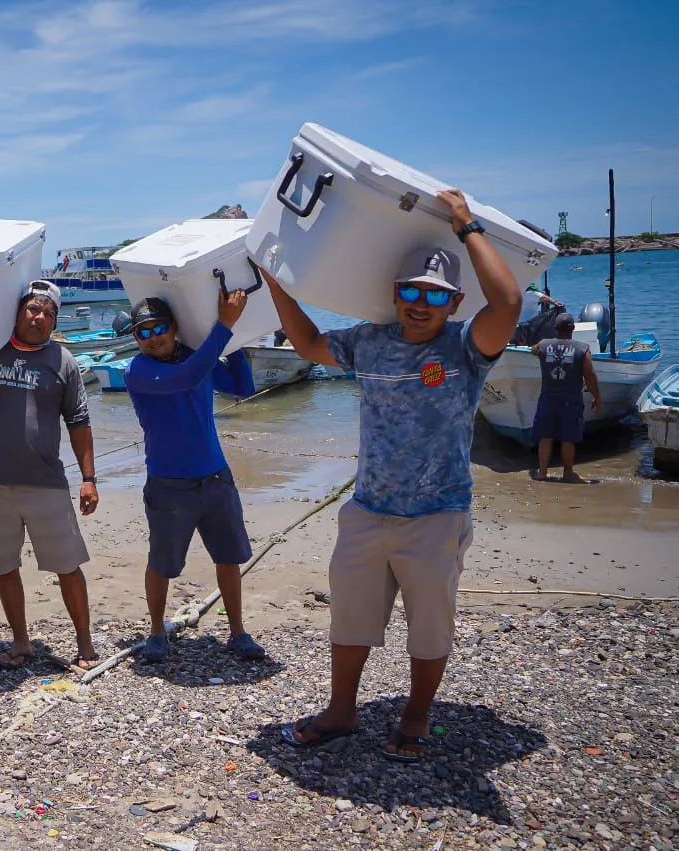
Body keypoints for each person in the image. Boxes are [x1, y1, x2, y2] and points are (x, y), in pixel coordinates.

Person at [264, 189, 522, 763]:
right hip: (368, 509)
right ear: (395, 295)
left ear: (453, 303)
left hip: (437, 515)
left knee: (429, 627)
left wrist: (466, 225)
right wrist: (278, 284)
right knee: (350, 617)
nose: (419, 303)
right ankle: (341, 710)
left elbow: (507, 302)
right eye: (410, 291)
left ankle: (416, 714)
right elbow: (307, 344)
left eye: (434, 295)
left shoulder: (466, 348)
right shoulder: (371, 343)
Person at [0, 280, 101, 670]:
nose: (39, 317)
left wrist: (89, 477)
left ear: (54, 321)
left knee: (68, 567)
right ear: (16, 312)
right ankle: (21, 642)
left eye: (48, 313)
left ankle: (85, 645)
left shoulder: (63, 361)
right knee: (4, 568)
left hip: (46, 484)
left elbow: (79, 420)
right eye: (32, 309)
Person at [124, 291, 266, 663]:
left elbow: (241, 387)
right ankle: (156, 632)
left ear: (175, 328)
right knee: (162, 562)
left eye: (160, 327)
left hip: (216, 479)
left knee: (229, 557)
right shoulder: (138, 371)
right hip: (169, 484)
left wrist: (234, 339)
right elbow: (185, 379)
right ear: (136, 339)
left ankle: (238, 631)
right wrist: (223, 327)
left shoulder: (193, 359)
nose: (154, 336)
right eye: (144, 332)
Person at [531, 313, 601, 482]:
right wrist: (597, 396)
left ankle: (541, 473)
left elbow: (534, 349)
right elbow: (589, 375)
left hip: (548, 398)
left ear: (555, 328)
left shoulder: (543, 345)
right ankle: (567, 473)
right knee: (568, 437)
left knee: (545, 436)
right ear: (573, 329)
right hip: (570, 400)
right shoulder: (582, 349)